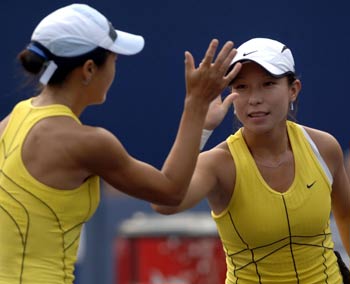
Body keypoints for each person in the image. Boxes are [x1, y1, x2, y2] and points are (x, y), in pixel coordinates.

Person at [0, 3, 241, 284]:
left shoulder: (9, 122)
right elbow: (171, 191)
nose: (115, 70)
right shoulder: (88, 142)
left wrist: (200, 123)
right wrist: (196, 104)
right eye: (114, 60)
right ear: (89, 69)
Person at [152, 37, 350, 283]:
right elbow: (164, 204)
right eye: (242, 87)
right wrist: (197, 121)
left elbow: (346, 214)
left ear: (293, 90)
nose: (254, 98)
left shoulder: (324, 147)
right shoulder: (219, 163)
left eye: (268, 84)